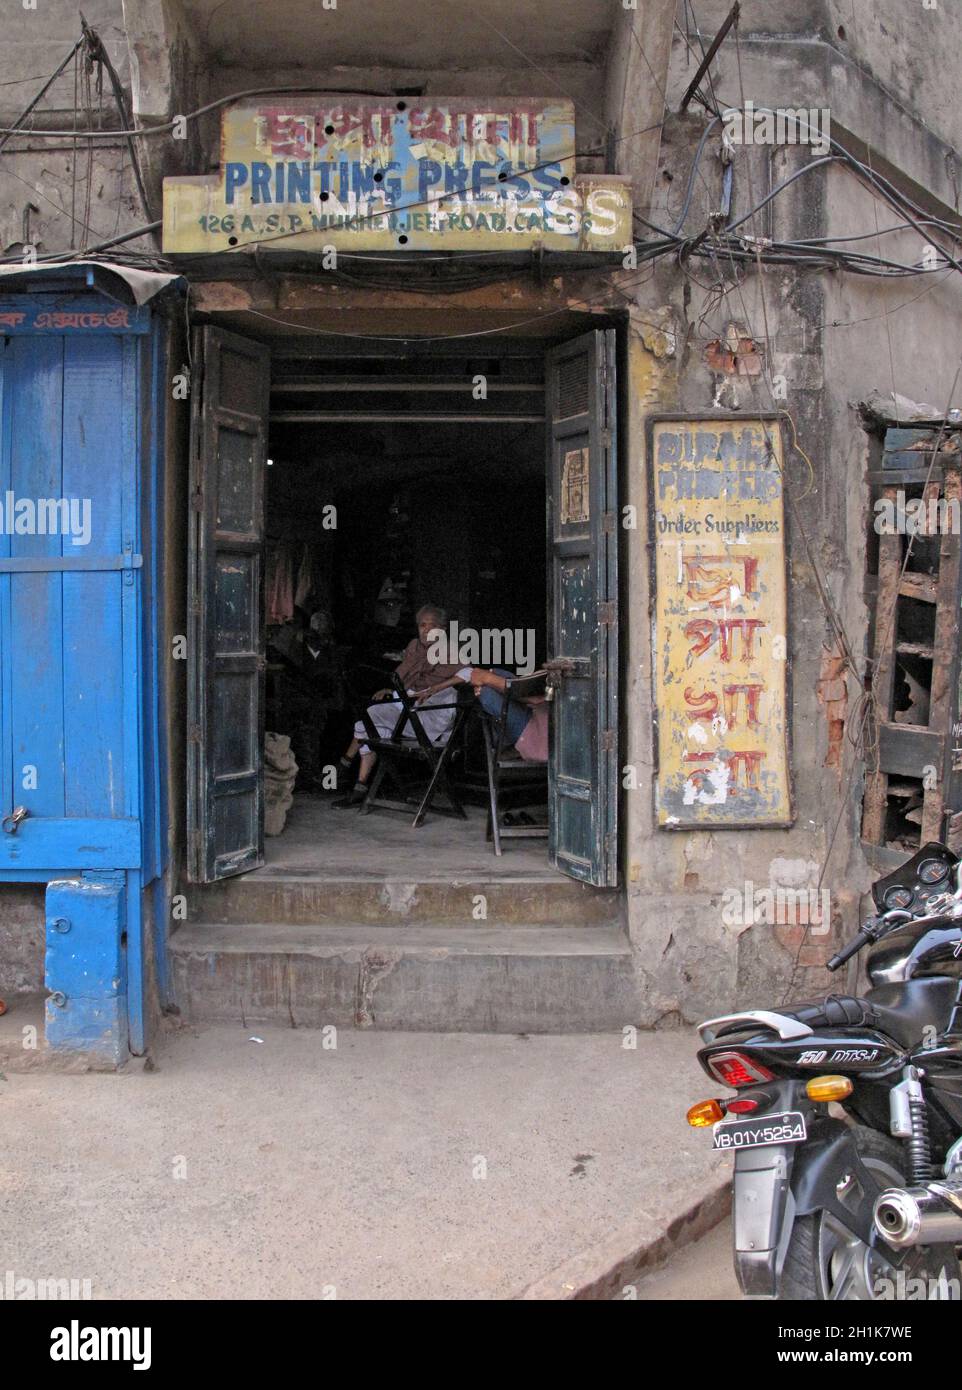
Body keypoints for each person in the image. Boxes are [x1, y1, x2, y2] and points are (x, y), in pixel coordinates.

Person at [333, 604, 469, 808]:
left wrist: (436, 687)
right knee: (370, 727)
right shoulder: (415, 647)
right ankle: (359, 788)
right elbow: (405, 680)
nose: (426, 630)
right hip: (410, 710)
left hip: (430, 718)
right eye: (422, 625)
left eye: (432, 626)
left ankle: (344, 763)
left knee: (371, 713)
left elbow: (469, 673)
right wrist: (393, 691)